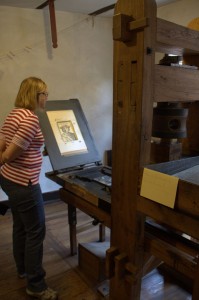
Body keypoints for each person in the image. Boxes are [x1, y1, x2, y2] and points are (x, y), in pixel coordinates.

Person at [0, 77, 58, 300]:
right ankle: (36, 285)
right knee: (36, 232)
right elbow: (7, 155)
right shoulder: (30, 119)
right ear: (34, 95)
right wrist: (6, 157)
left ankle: (23, 268)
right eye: (44, 93)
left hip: (9, 180)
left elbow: (7, 144)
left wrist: (39, 151)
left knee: (21, 227)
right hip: (24, 184)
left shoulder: (15, 113)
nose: (46, 98)